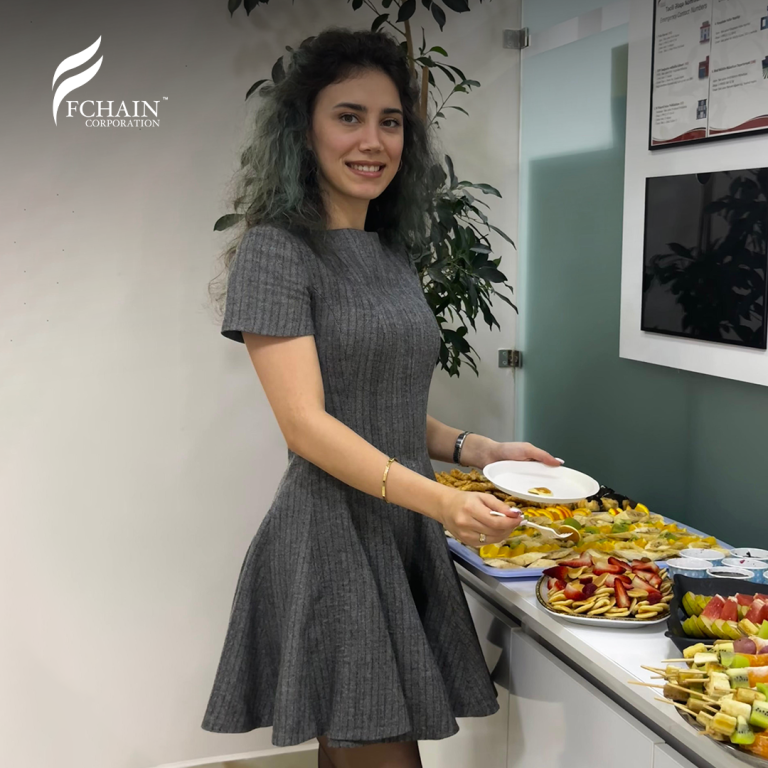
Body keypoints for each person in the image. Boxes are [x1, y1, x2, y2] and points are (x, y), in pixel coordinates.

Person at [202, 27, 561, 768]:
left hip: (397, 524)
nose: (373, 141)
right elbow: (306, 425)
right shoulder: (276, 252)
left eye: (390, 121)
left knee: (357, 751)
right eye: (349, 116)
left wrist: (480, 450)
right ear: (303, 131)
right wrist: (441, 503)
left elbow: (378, 399)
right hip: (332, 535)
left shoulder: (391, 254)